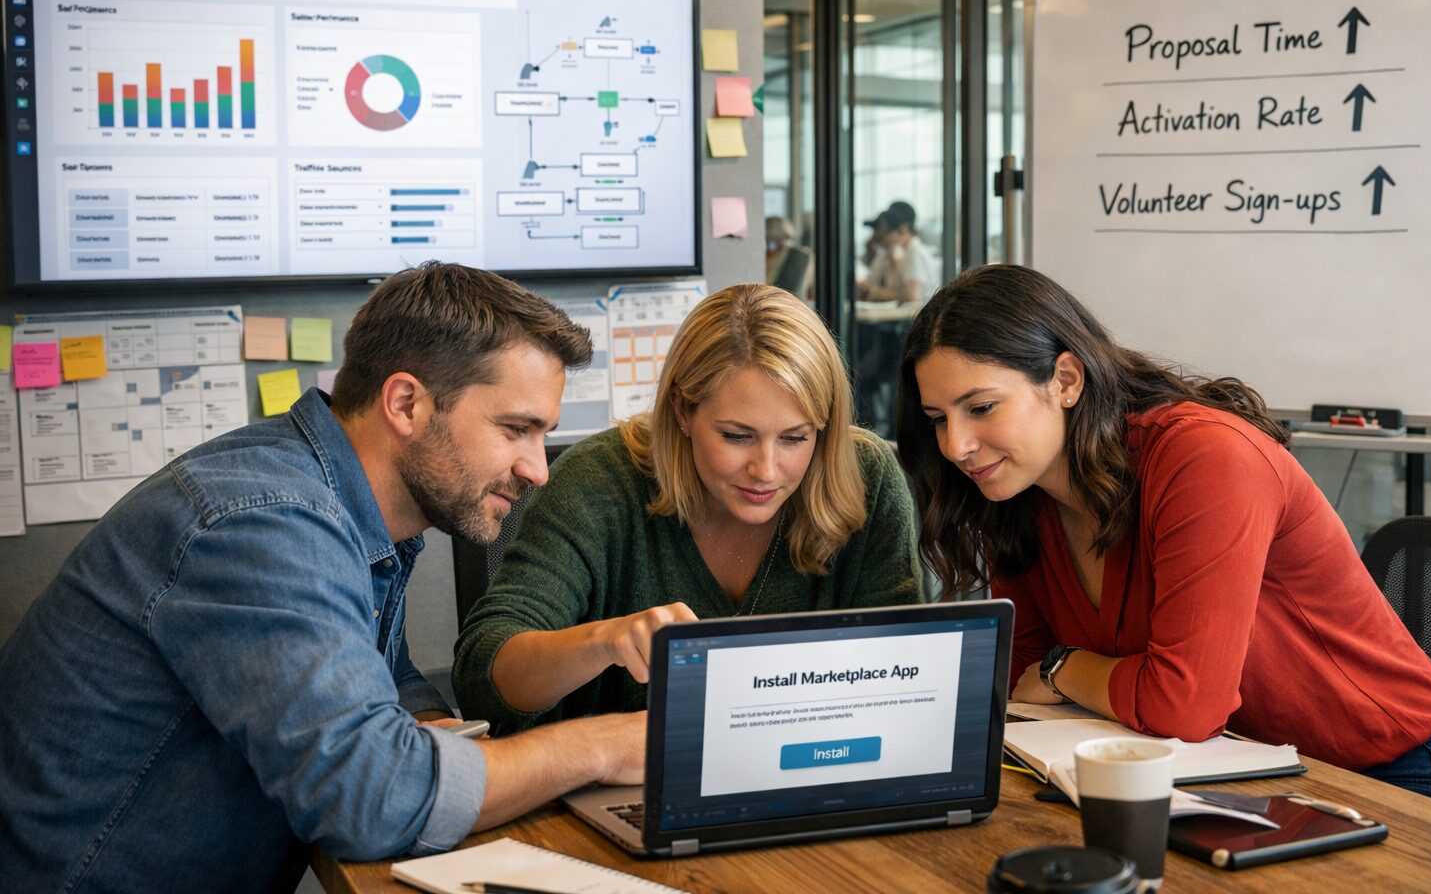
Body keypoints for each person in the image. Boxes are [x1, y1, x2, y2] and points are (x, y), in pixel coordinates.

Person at [0, 263, 646, 893]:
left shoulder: (335, 497)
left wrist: (432, 731)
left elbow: (383, 676)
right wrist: (602, 746)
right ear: (405, 403)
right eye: (515, 430)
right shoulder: (268, 526)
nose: (537, 469)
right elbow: (371, 801)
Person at [894, 264, 1431, 818]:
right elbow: (1020, 680)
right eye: (938, 419)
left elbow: (1183, 703)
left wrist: (1065, 668)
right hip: (1233, 777)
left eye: (980, 407)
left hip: (1397, 779)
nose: (955, 446)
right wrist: (1059, 676)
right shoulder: (1017, 496)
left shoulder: (1203, 456)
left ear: (1066, 380)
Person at [454, 283, 922, 731]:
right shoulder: (598, 484)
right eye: (736, 436)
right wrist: (605, 641)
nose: (766, 470)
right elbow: (483, 676)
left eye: (795, 438)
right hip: (617, 791)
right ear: (681, 410)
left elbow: (909, 672)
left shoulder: (867, 476)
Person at [858, 201, 940, 305]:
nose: (880, 239)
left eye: (885, 233)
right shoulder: (887, 252)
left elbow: (911, 296)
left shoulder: (915, 252)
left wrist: (878, 293)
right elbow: (869, 284)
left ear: (902, 230)